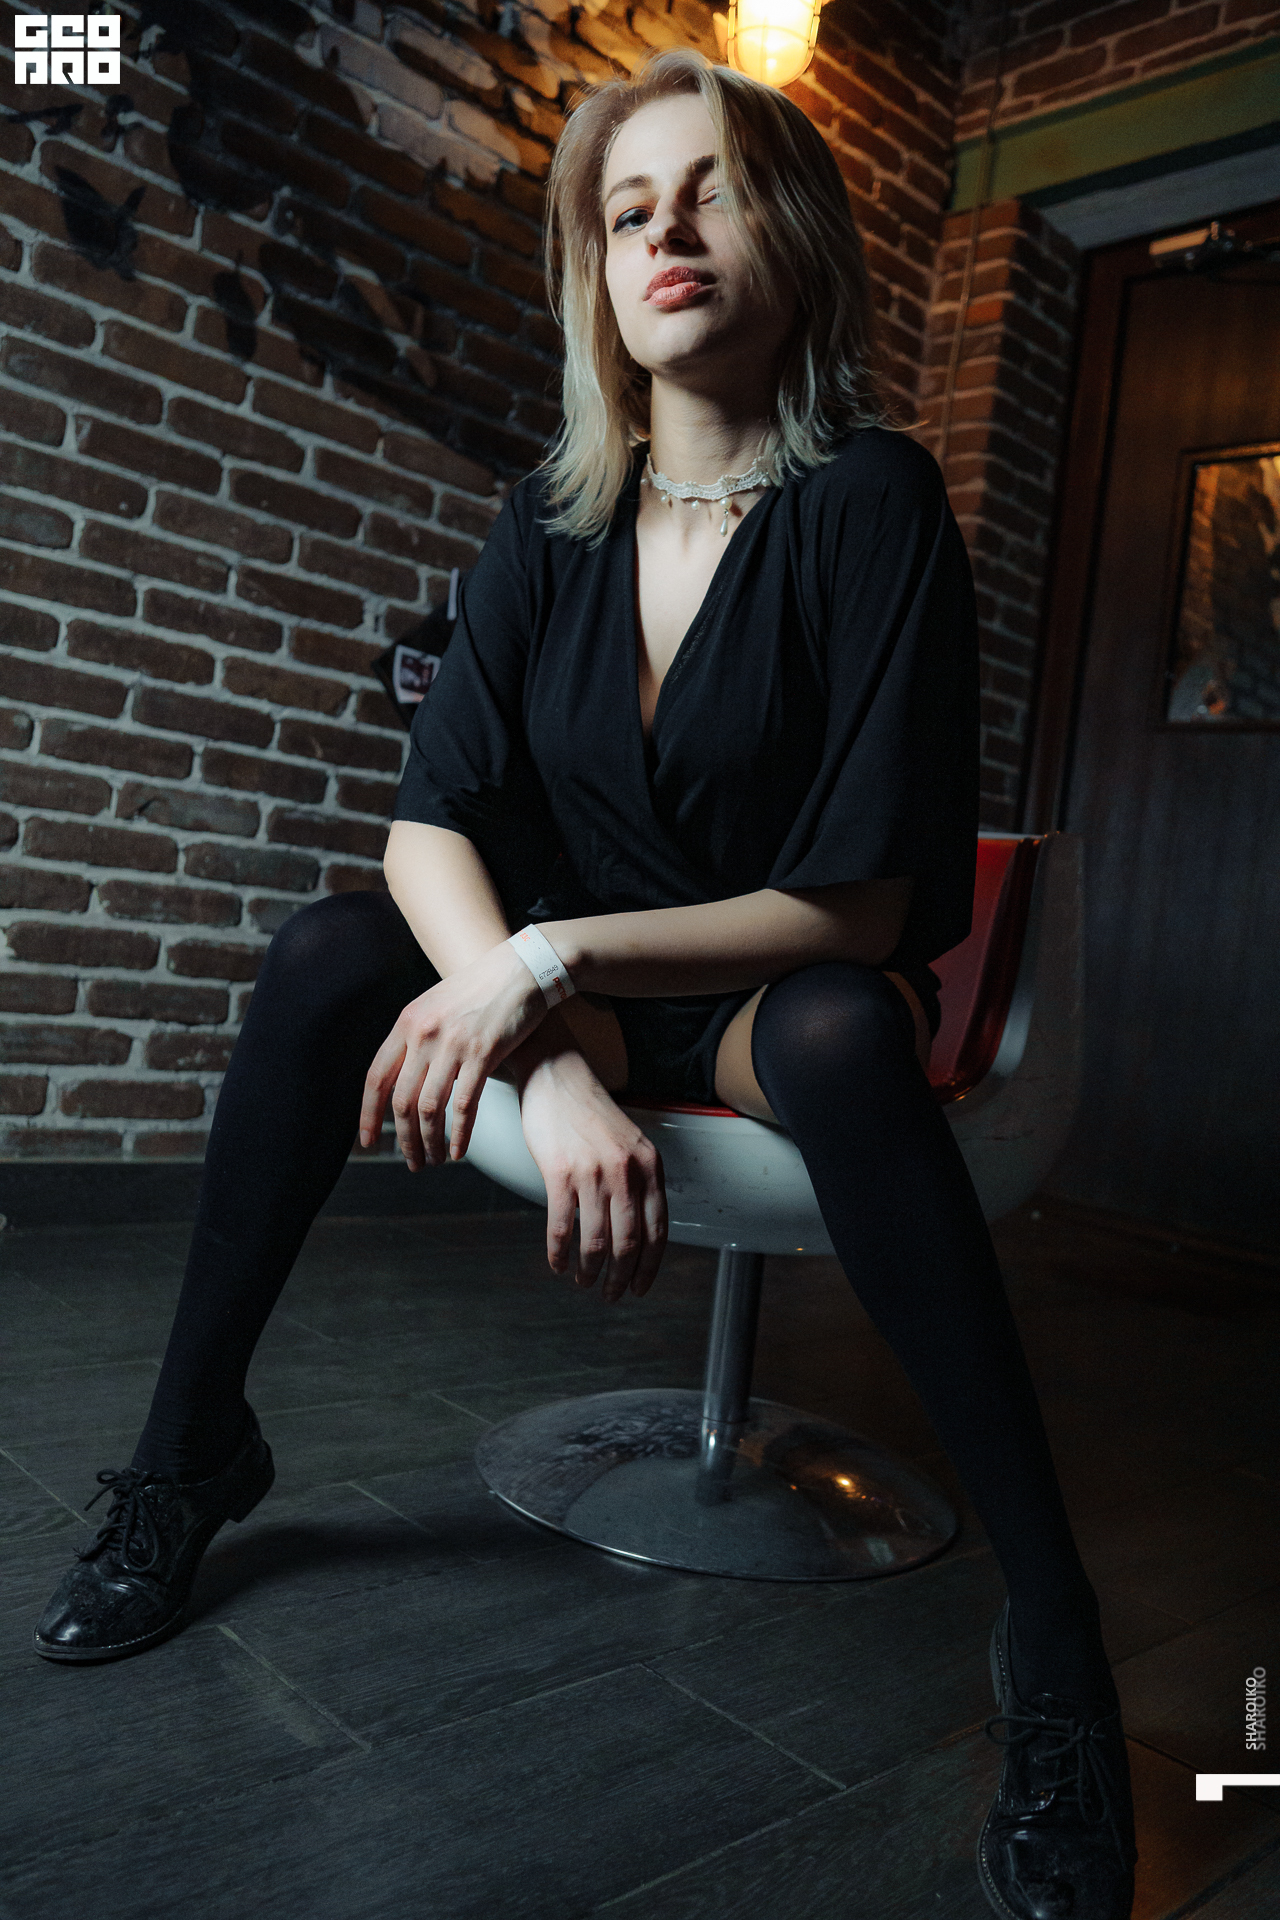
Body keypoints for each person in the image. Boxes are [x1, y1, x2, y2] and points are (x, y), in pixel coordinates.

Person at [33, 47, 1136, 1920]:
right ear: (597, 277)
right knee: (326, 954)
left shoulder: (871, 499)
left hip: (769, 981)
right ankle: (188, 1454)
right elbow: (427, 833)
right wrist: (543, 1058)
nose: (665, 235)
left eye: (709, 193)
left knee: (849, 1040)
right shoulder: (547, 518)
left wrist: (542, 963)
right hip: (590, 1006)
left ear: (792, 235)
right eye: (628, 213)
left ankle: (1057, 1637)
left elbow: (860, 903)